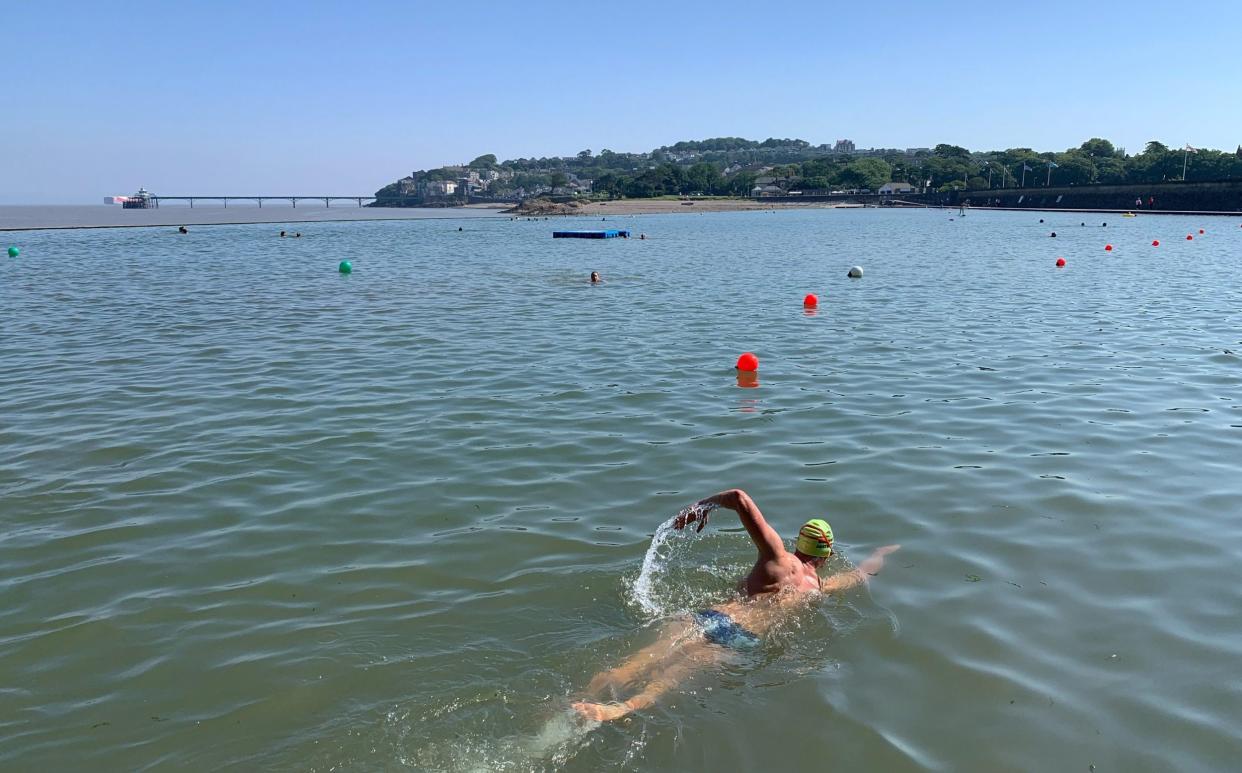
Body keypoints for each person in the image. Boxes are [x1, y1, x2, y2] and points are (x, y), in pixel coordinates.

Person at [571, 489, 899, 721]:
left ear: (799, 542)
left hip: (709, 616)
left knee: (632, 666)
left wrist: (700, 507)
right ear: (826, 556)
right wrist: (883, 553)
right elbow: (861, 573)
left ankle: (574, 703)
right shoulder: (818, 588)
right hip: (740, 638)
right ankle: (619, 710)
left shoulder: (777, 559)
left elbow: (739, 498)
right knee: (667, 681)